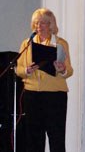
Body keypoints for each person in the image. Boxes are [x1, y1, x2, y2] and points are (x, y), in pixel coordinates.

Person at [16, 8, 73, 152]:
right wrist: (26, 71)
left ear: (51, 25)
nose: (38, 26)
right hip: (32, 95)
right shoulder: (26, 44)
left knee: (56, 137)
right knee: (34, 138)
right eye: (36, 23)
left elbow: (69, 70)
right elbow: (18, 69)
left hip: (55, 96)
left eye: (42, 23)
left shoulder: (60, 43)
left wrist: (62, 69)